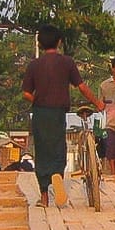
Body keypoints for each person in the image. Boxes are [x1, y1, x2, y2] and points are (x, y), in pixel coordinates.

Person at [22, 23, 103, 208]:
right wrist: (97, 103)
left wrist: (36, 97)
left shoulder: (34, 65)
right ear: (59, 42)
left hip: (41, 112)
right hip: (59, 112)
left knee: (42, 151)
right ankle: (57, 173)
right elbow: (81, 87)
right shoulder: (67, 62)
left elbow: (26, 93)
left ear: (40, 44)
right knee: (58, 146)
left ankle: (44, 196)